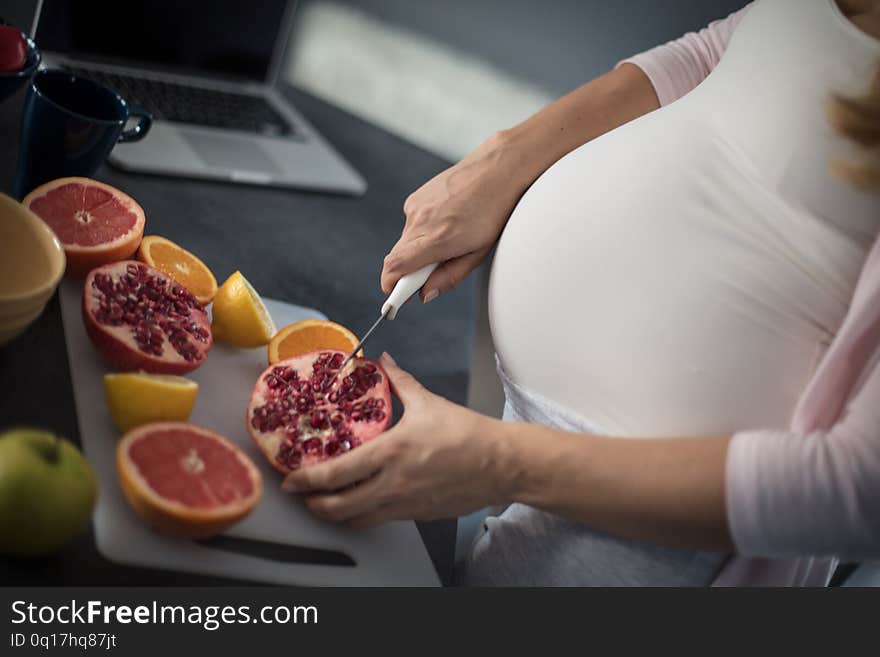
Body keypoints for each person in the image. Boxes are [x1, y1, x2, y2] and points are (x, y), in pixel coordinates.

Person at [283, 0, 880, 586]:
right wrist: (504, 159)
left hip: (652, 524)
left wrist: (500, 463)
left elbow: (857, 490)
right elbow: (729, 51)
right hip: (514, 452)